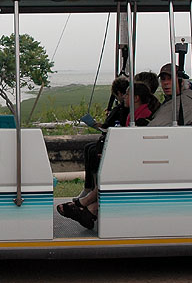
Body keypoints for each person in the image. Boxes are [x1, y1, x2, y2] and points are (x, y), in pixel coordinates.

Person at [58, 81, 153, 230]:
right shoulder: (132, 115)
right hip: (129, 157)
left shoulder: (142, 118)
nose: (124, 97)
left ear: (136, 98)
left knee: (108, 167)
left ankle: (87, 205)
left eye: (127, 94)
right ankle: (89, 208)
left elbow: (135, 143)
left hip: (136, 161)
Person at [78, 76, 130, 198]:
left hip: (117, 141)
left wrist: (96, 125)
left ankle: (93, 188)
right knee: (88, 147)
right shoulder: (120, 108)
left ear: (119, 93)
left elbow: (108, 126)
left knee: (93, 150)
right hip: (114, 138)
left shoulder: (122, 109)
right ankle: (88, 187)